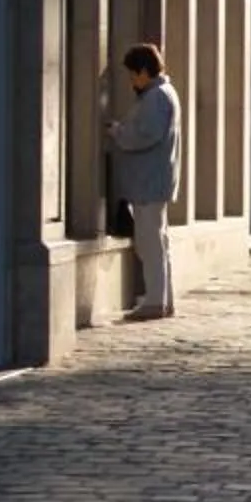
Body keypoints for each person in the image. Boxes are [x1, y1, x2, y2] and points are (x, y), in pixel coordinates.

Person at [106, 42, 181, 322]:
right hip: (153, 180)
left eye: (132, 74)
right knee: (157, 241)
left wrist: (118, 132)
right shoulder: (161, 94)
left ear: (144, 71)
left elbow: (146, 134)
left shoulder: (156, 97)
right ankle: (163, 300)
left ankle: (155, 301)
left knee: (149, 242)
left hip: (150, 181)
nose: (131, 81)